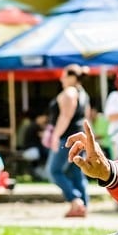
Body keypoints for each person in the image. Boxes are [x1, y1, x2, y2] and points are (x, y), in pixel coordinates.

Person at [46, 64, 91, 218]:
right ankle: (83, 206)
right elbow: (86, 116)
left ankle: (75, 200)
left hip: (68, 138)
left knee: (54, 170)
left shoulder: (70, 92)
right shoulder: (83, 93)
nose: (61, 78)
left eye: (64, 75)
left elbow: (65, 116)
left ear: (72, 77)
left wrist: (55, 136)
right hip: (80, 136)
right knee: (76, 172)